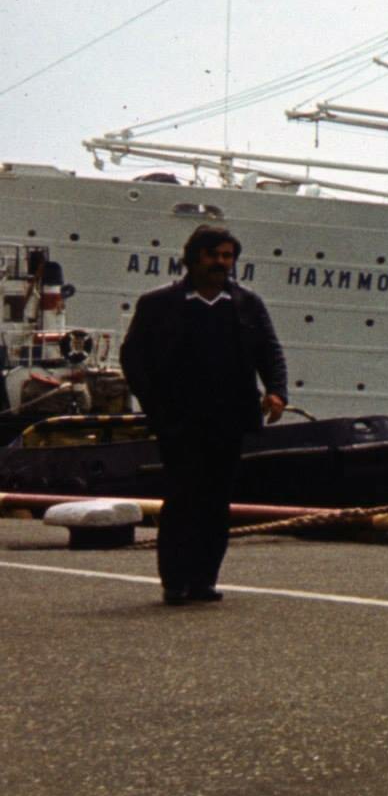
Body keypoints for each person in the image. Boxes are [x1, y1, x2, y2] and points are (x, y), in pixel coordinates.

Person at [119, 225, 288, 606]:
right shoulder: (159, 303)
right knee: (182, 500)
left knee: (216, 502)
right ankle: (175, 581)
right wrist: (155, 405)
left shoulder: (246, 303)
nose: (220, 263)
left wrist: (277, 391)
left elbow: (269, 351)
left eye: (227, 256)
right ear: (194, 257)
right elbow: (133, 357)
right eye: (213, 255)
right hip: (180, 420)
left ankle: (204, 580)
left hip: (230, 418)